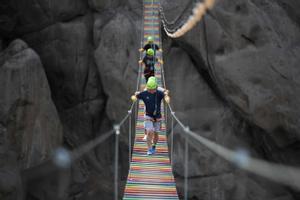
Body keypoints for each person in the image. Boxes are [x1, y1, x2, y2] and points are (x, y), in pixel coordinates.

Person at [131, 77, 170, 155]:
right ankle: (149, 149)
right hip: (148, 116)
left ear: (156, 87)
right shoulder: (144, 93)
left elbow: (166, 94)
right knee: (150, 131)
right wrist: (134, 97)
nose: (151, 91)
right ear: (147, 88)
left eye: (153, 89)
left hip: (158, 117)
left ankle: (154, 146)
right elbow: (136, 96)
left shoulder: (159, 93)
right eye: (150, 89)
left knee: (156, 134)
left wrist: (166, 96)